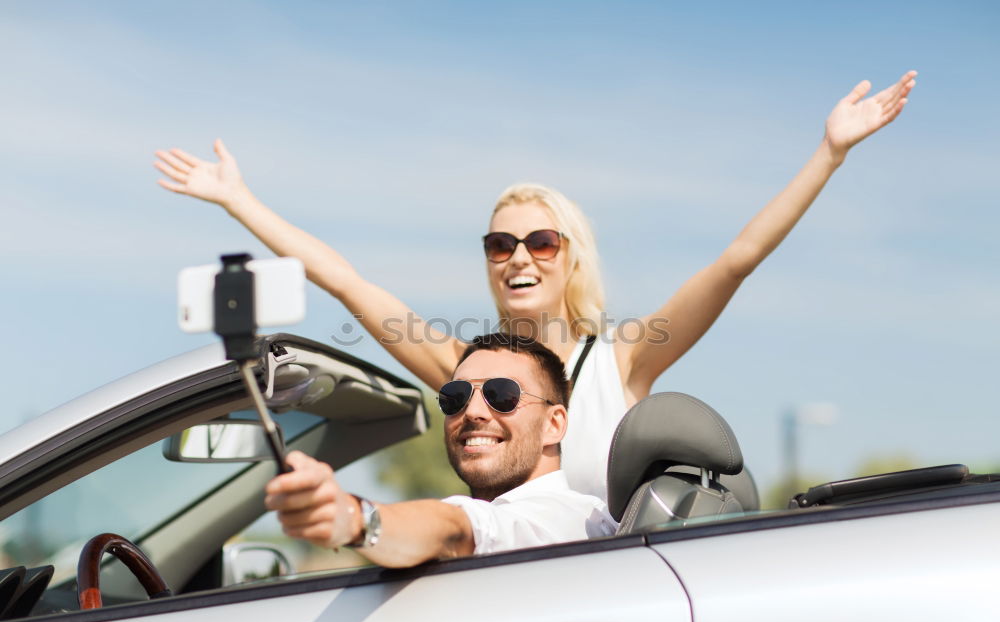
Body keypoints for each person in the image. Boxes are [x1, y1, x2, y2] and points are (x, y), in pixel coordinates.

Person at [156, 71, 917, 501]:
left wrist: (829, 153)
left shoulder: (624, 360)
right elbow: (344, 281)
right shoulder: (466, 373)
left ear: (570, 256)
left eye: (540, 240)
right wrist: (239, 200)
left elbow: (737, 259)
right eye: (499, 243)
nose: (518, 257)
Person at [264, 334, 617, 566]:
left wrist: (355, 518)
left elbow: (456, 528)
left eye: (503, 395)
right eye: (456, 397)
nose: (473, 411)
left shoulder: (564, 518)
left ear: (554, 424)